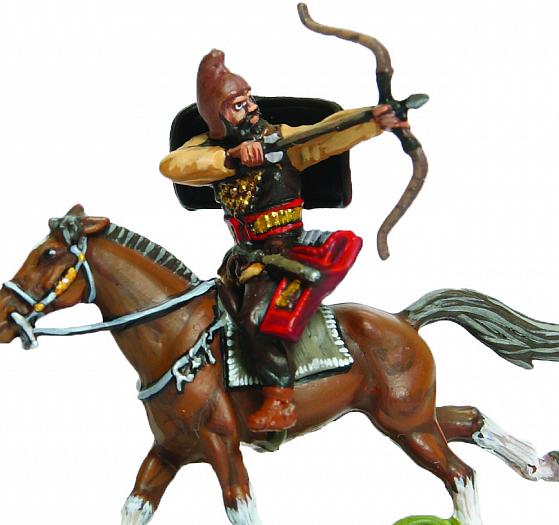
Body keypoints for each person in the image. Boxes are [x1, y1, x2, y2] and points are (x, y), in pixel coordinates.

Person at [160, 49, 405, 434]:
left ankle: (280, 401)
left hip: (285, 252)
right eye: (238, 105)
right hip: (243, 258)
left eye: (249, 99)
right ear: (217, 117)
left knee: (255, 319)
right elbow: (173, 165)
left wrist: (373, 121)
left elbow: (330, 133)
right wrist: (232, 159)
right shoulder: (209, 150)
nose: (251, 109)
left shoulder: (284, 143)